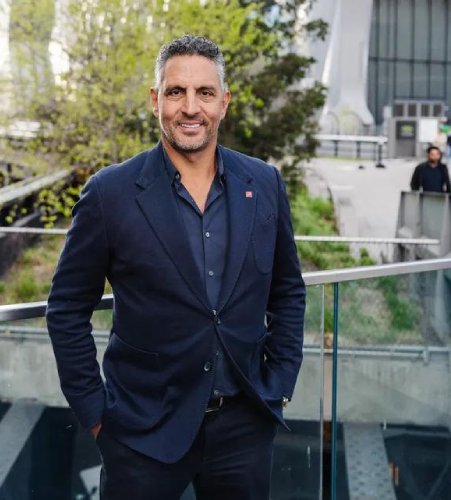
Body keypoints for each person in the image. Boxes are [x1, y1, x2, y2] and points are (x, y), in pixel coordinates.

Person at [46, 35, 305, 500]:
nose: (190, 108)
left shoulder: (263, 183)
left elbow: (288, 291)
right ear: (155, 100)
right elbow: (66, 308)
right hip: (140, 432)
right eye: (175, 92)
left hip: (244, 429)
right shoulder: (110, 193)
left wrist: (279, 383)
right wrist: (96, 412)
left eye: (204, 93)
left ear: (224, 103)